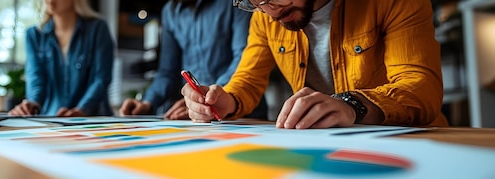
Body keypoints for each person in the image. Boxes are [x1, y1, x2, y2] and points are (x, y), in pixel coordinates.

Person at [182, 0, 449, 129]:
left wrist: (351, 105)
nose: (270, 9)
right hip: (334, 151)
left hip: (414, 144)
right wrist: (226, 100)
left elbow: (421, 89)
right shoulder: (263, 16)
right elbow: (248, 81)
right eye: (254, 1)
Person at [119, 0, 268, 120]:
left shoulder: (235, 3)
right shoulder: (170, 12)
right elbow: (167, 71)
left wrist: (211, 97)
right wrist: (147, 102)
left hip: (242, 110)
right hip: (197, 114)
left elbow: (245, 57)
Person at [8, 0, 114, 116]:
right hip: (51, 120)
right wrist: (32, 105)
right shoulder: (34, 35)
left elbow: (101, 78)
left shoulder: (98, 29)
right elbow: (36, 77)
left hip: (93, 119)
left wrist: (82, 110)